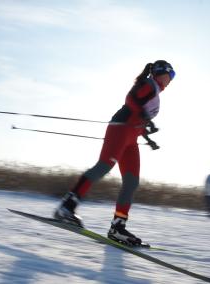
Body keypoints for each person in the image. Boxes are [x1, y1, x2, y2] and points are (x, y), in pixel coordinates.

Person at [54, 60, 175, 246]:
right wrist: (144, 118)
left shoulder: (156, 92)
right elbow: (131, 100)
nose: (170, 81)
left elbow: (140, 116)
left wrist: (149, 138)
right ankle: (67, 207)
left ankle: (117, 227)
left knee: (132, 181)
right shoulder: (149, 84)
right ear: (160, 73)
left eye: (172, 78)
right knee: (104, 166)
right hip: (120, 129)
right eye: (169, 76)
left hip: (131, 137)